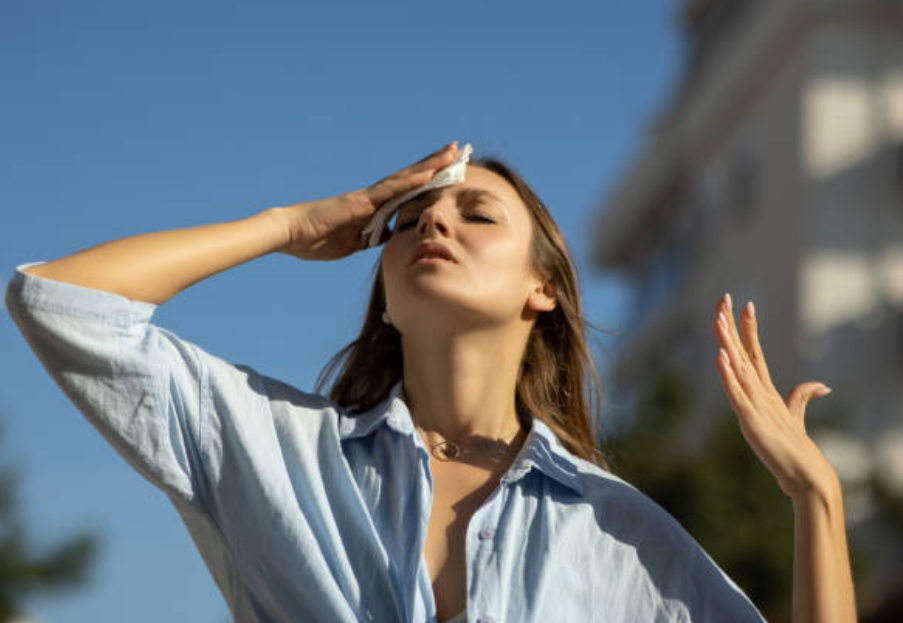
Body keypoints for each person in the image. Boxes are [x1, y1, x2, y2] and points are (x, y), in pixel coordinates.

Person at [5, 141, 856, 622]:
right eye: (408, 220)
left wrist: (815, 500)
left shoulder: (619, 531)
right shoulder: (274, 447)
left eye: (474, 214)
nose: (434, 221)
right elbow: (58, 301)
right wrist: (286, 225)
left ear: (543, 289)